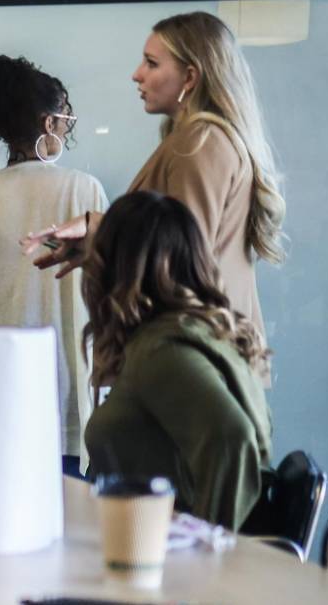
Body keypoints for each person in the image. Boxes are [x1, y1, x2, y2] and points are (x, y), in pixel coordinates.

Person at [25, 11, 285, 336]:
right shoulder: (201, 140)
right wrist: (96, 240)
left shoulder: (200, 142)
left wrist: (99, 231)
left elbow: (183, 256)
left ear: (189, 78)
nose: (137, 74)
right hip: (202, 349)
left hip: (195, 353)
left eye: (151, 63)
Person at [0, 54, 107, 471]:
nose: (68, 125)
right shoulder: (84, 192)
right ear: (48, 123)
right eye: (66, 116)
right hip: (64, 398)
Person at [80, 190, 273, 530]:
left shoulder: (162, 351)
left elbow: (232, 437)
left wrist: (206, 545)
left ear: (116, 267)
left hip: (159, 559)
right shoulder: (192, 334)